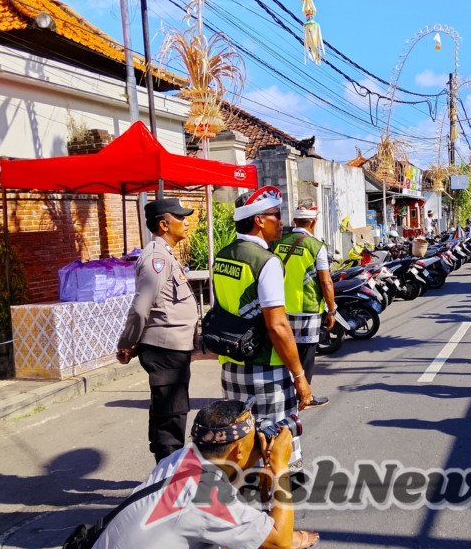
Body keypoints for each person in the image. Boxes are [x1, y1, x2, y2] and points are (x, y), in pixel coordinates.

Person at [84, 399, 320, 549]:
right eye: (253, 434)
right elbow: (281, 540)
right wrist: (280, 467)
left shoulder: (180, 458)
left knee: (223, 543)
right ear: (237, 450)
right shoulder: (207, 497)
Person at [212, 186, 313, 470]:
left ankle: (246, 499)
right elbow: (278, 325)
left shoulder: (223, 254)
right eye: (275, 215)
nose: (281, 222)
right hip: (265, 367)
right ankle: (273, 504)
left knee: (242, 437)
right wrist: (299, 376)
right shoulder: (266, 262)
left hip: (231, 363)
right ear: (258, 220)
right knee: (275, 439)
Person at [117, 198, 198, 464]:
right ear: (164, 224)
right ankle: (169, 484)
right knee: (171, 419)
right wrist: (127, 342)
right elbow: (141, 308)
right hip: (165, 350)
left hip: (173, 349)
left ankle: (166, 476)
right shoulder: (156, 258)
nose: (186, 222)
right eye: (180, 218)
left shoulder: (165, 254)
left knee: (168, 414)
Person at [273, 202, 337, 409]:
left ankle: (284, 394)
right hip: (306, 309)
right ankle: (304, 395)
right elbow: (326, 281)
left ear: (294, 221)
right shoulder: (316, 246)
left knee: (284, 353)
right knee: (306, 355)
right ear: (314, 223)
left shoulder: (277, 242)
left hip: (279, 308)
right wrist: (332, 309)